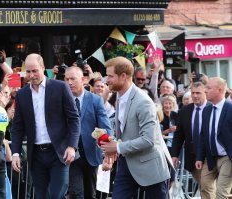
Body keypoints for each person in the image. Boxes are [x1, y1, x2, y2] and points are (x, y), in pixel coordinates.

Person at [100, 56, 172, 199]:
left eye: (110, 76)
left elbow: (149, 140)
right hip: (127, 165)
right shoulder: (120, 97)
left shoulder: (143, 102)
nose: (106, 80)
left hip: (150, 167)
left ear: (123, 76)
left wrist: (118, 148)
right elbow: (125, 132)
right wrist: (111, 144)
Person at [11, 53, 80, 199]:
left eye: (34, 70)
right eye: (28, 71)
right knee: (40, 195)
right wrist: (15, 153)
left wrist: (72, 146)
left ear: (43, 68)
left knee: (56, 195)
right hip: (35, 154)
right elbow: (17, 127)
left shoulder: (60, 87)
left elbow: (74, 118)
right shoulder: (22, 94)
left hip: (59, 152)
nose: (31, 75)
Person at [64, 66, 112, 199]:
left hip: (91, 154)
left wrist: (108, 152)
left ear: (83, 79)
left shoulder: (95, 100)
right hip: (71, 154)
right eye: (66, 79)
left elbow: (104, 127)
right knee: (76, 193)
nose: (69, 82)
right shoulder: (62, 100)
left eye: (73, 79)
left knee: (90, 194)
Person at [195, 77, 232, 199]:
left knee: (221, 193)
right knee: (205, 186)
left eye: (209, 88)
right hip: (210, 157)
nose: (205, 90)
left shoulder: (230, 108)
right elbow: (203, 136)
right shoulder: (207, 110)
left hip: (227, 157)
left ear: (220, 90)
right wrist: (199, 157)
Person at [172, 82, 208, 192]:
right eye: (193, 93)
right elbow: (179, 135)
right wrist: (174, 155)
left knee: (207, 186)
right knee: (204, 187)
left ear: (205, 93)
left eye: (198, 93)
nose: (195, 96)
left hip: (211, 156)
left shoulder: (212, 108)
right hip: (193, 157)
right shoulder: (185, 111)